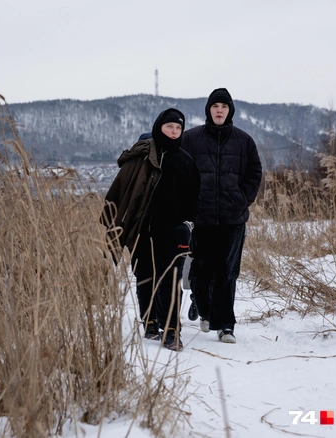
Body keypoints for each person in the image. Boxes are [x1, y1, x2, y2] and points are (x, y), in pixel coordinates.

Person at [102, 108, 201, 351]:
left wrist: (188, 223)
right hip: (143, 229)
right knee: (145, 276)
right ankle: (150, 321)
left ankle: (171, 330)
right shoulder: (143, 158)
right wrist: (114, 224)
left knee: (170, 279)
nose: (174, 131)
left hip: (174, 231)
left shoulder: (186, 161)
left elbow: (196, 197)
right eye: (170, 127)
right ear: (159, 127)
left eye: (178, 128)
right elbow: (120, 191)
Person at [181, 88, 262, 344]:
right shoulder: (190, 139)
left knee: (227, 272)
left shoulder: (244, 141)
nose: (219, 110)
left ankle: (226, 325)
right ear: (208, 110)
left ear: (230, 111)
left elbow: (254, 174)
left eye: (224, 107)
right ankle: (205, 311)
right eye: (215, 106)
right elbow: (180, 174)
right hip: (200, 219)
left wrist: (242, 200)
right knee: (200, 272)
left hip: (232, 219)